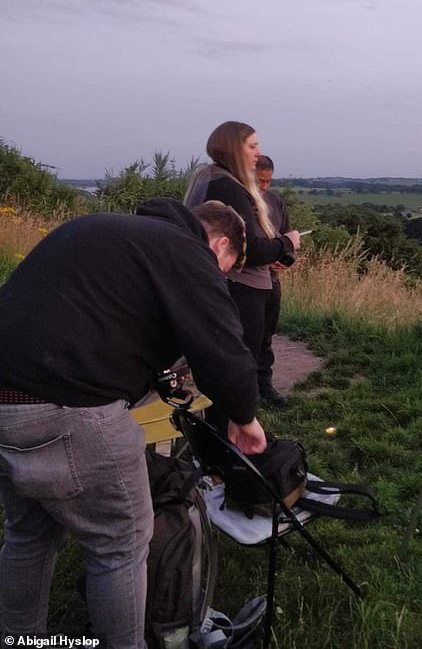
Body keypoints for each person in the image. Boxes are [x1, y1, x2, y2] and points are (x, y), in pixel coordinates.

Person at [0, 198, 267, 649]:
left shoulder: (103, 230)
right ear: (220, 244)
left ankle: (18, 640)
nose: (221, 278)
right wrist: (245, 417)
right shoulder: (187, 252)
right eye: (227, 270)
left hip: (6, 403)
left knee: (29, 533)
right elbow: (223, 351)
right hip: (69, 408)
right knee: (119, 543)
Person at [186, 122, 300, 408]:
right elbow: (247, 249)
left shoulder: (210, 178)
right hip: (240, 285)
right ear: (235, 149)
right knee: (241, 354)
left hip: (243, 282)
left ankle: (245, 405)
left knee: (251, 345)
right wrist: (288, 243)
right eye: (252, 146)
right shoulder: (229, 187)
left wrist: (281, 255)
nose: (257, 153)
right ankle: (238, 420)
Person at [255, 155, 293, 407]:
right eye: (260, 181)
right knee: (244, 338)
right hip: (245, 282)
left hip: (272, 280)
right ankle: (244, 392)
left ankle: (265, 386)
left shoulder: (275, 202)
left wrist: (287, 259)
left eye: (268, 181)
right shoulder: (239, 202)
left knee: (266, 337)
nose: (264, 187)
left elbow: (287, 237)